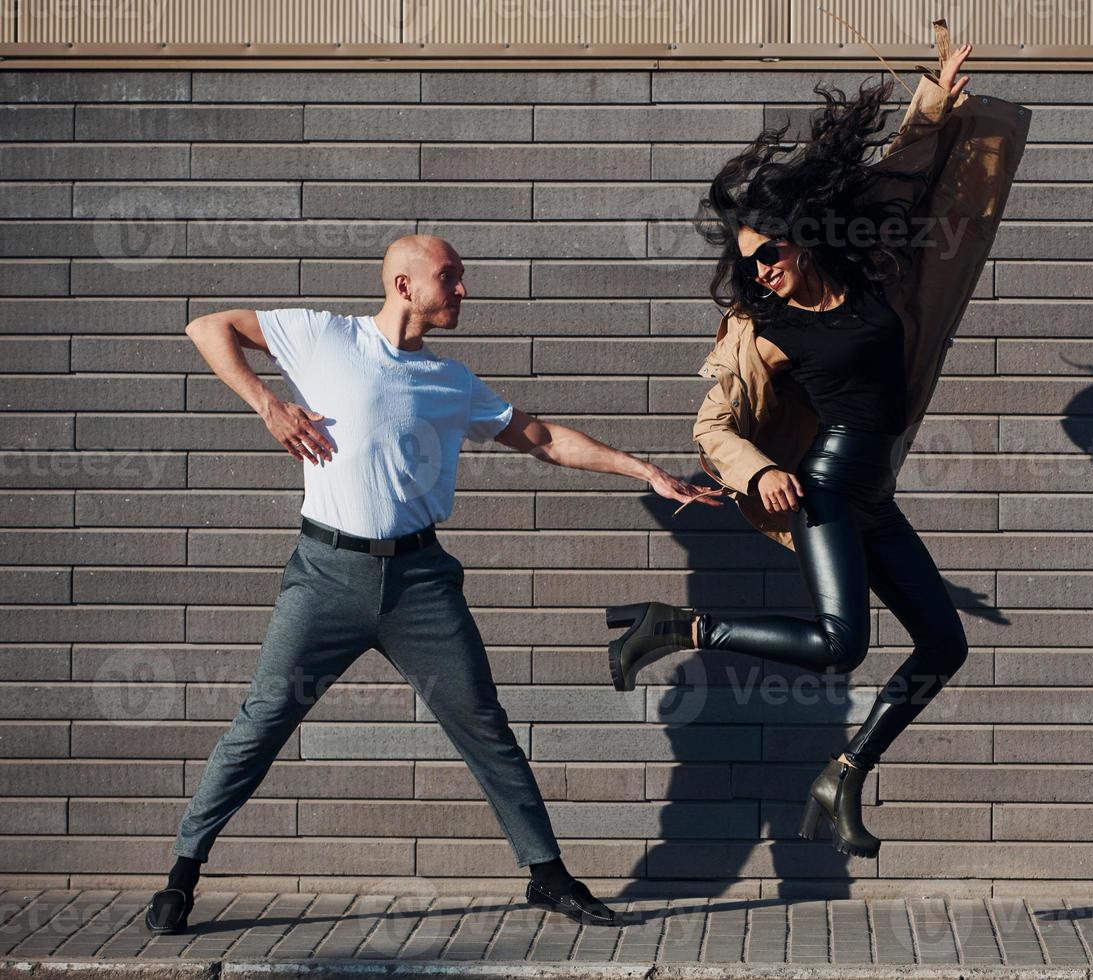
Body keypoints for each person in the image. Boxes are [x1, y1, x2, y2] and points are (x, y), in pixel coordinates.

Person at [147, 234, 720, 934]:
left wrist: (648, 474)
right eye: (449, 278)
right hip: (325, 576)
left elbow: (541, 438)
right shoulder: (321, 336)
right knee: (262, 721)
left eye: (461, 277)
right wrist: (269, 405)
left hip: (420, 583)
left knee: (483, 724)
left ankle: (547, 876)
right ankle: (181, 875)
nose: (462, 290)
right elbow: (207, 328)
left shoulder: (451, 381)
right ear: (402, 284)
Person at [605, 25, 1030, 858]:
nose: (760, 269)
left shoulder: (868, 272)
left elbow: (904, 170)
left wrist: (938, 96)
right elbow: (712, 425)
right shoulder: (760, 328)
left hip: (875, 492)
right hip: (827, 489)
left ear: (802, 235)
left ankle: (844, 772)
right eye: (750, 262)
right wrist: (759, 471)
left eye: (769, 253)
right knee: (843, 646)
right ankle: (678, 629)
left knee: (945, 642)